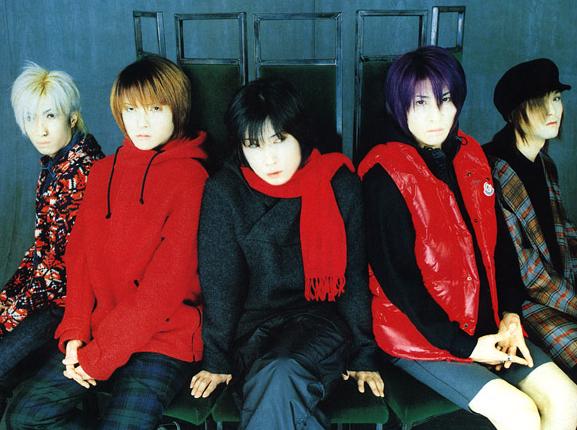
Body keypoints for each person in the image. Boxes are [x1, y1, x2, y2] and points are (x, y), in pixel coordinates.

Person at [358, 46, 577, 430]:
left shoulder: (471, 155)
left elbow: (500, 249)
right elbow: (400, 284)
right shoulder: (384, 175)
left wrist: (510, 315)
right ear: (399, 105)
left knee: (567, 399)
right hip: (421, 338)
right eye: (420, 103)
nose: (436, 115)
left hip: (487, 325)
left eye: (444, 100)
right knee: (520, 413)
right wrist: (469, 346)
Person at [5, 55, 208, 429]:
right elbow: (79, 259)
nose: (141, 122)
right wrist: (75, 334)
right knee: (25, 417)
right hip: (97, 332)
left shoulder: (192, 178)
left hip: (165, 339)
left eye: (155, 109)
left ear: (176, 109)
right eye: (131, 109)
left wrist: (99, 357)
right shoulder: (102, 172)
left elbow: (163, 289)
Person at [190, 78, 383, 429]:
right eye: (253, 145)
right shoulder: (225, 191)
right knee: (277, 379)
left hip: (321, 325)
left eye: (278, 140)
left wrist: (363, 353)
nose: (269, 158)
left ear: (300, 134)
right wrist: (216, 358)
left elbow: (354, 276)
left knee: (282, 371)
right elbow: (220, 284)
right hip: (253, 331)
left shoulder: (338, 184)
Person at [0, 63, 103, 413]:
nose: (39, 129)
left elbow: (65, 267)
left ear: (71, 118)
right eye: (30, 118)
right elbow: (42, 250)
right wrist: (9, 299)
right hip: (49, 293)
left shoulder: (82, 170)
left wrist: (13, 310)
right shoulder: (55, 163)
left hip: (71, 303)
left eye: (50, 116)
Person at [484, 58, 577, 382]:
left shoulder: (545, 164)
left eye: (556, 98)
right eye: (540, 102)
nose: (553, 111)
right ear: (514, 113)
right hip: (520, 303)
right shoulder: (492, 169)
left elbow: (565, 235)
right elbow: (525, 269)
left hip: (557, 290)